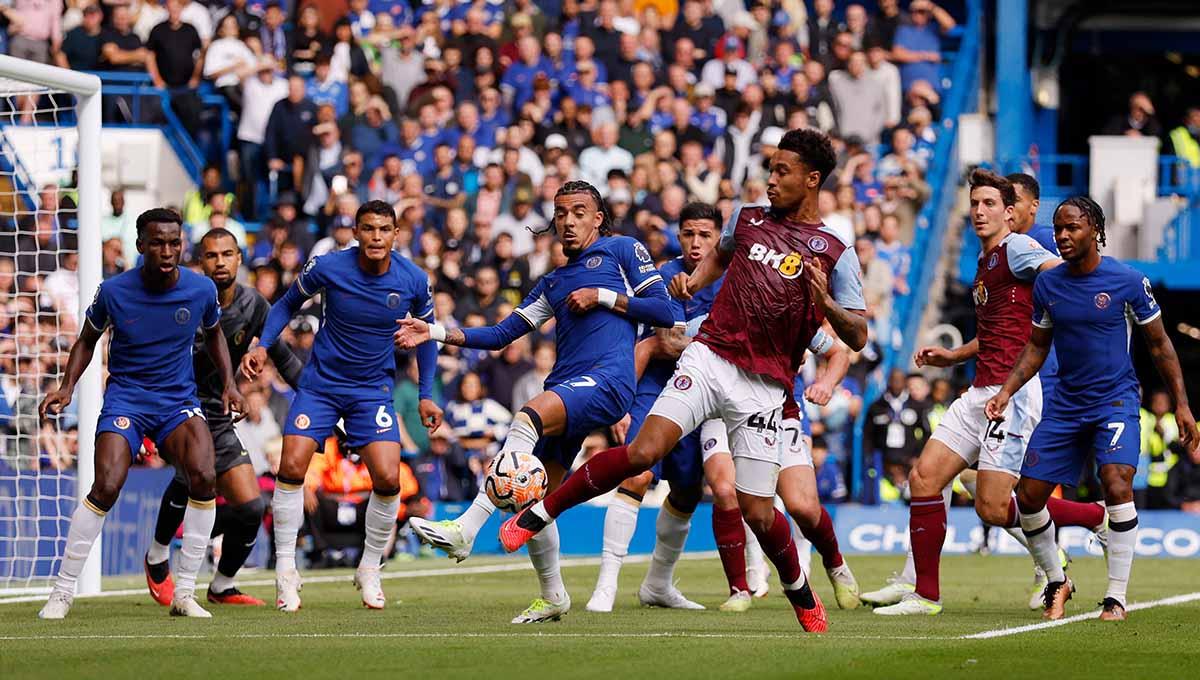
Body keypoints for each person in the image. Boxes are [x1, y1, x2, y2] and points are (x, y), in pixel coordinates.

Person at [497, 129, 870, 633]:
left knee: (759, 513)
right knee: (641, 453)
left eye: (782, 172)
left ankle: (800, 591)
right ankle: (537, 514)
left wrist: (825, 305)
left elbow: (859, 333)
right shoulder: (748, 218)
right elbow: (722, 253)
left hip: (765, 386)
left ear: (812, 179)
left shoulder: (835, 250)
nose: (771, 179)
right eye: (770, 169)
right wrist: (695, 282)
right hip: (709, 356)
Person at [395, 180, 677, 624]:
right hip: (567, 382)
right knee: (536, 499)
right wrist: (434, 332)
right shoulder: (553, 281)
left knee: (528, 413)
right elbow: (501, 335)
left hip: (608, 382)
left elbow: (666, 312)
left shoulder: (624, 250)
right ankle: (554, 596)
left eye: (579, 212)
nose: (569, 221)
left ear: (598, 217)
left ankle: (467, 528)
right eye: (561, 213)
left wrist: (603, 297)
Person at [869, 170, 1103, 617]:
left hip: (1011, 395)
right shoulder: (986, 260)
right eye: (975, 203)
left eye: (989, 204)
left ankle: (1096, 520)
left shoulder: (1016, 247)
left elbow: (1058, 269)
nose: (979, 211)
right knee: (924, 479)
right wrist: (953, 356)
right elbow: (997, 333)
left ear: (1010, 212)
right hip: (980, 392)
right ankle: (925, 595)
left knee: (994, 508)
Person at [986, 196, 1199, 622]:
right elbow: (1036, 347)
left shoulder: (1127, 281)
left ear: (1095, 231)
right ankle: (1056, 579)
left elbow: (1159, 345)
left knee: (1116, 482)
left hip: (1115, 400)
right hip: (1064, 404)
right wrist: (1007, 390)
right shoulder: (1048, 284)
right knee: (1027, 498)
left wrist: (1182, 405)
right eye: (1059, 229)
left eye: (1073, 228)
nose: (1063, 236)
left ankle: (1115, 598)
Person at [38, 209, 244, 620]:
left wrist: (230, 382)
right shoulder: (114, 291)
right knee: (108, 484)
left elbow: (215, 334)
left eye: (173, 242)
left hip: (176, 402)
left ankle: (185, 594)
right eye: (157, 243)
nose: (166, 251)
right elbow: (86, 340)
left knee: (204, 475)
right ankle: (62, 592)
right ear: (140, 246)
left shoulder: (200, 289)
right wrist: (66, 387)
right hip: (127, 401)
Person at [241, 200, 442, 612]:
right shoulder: (329, 267)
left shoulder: (414, 280)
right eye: (368, 229)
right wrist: (262, 346)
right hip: (322, 386)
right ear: (355, 231)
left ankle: (369, 567)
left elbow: (426, 337)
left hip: (372, 390)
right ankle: (285, 571)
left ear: (396, 234)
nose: (376, 237)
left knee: (389, 478)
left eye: (384, 229)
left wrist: (424, 397)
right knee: (292, 465)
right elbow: (284, 304)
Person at [143, 228, 305, 608]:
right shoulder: (179, 300)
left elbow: (283, 358)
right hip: (174, 407)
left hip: (216, 412)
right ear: (200, 262)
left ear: (238, 259)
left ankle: (221, 586)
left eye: (227, 254)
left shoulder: (254, 305)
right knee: (193, 475)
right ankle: (157, 555)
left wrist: (321, 398)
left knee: (251, 508)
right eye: (212, 255)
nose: (220, 262)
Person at [585, 203, 729, 613]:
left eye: (705, 235)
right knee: (637, 470)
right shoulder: (663, 277)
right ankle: (605, 585)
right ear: (678, 236)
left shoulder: (733, 281)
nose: (696, 243)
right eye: (688, 234)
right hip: (656, 385)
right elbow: (654, 344)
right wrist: (621, 402)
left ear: (720, 237)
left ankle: (658, 585)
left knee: (686, 490)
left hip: (705, 393)